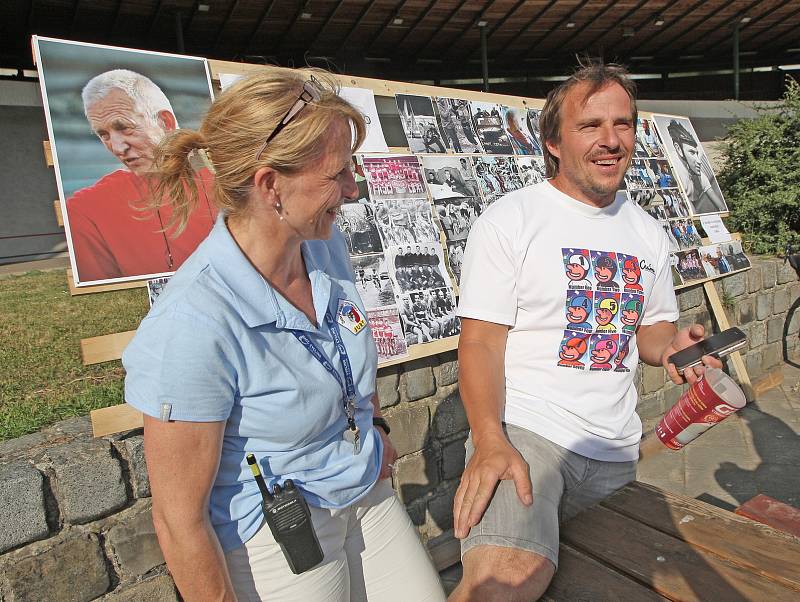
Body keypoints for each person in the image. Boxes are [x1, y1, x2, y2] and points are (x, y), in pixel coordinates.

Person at [122, 69, 445, 602]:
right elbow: (179, 521)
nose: (353, 189)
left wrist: (376, 423)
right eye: (337, 175)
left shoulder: (320, 244)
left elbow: (345, 353)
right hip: (279, 523)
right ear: (270, 185)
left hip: (361, 480)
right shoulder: (193, 323)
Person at [449, 61, 722, 601]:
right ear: (552, 140)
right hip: (528, 437)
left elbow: (650, 331)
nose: (611, 140)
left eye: (622, 124)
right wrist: (488, 440)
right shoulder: (512, 218)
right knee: (501, 585)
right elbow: (480, 341)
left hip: (617, 453)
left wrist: (674, 346)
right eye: (590, 126)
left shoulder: (647, 231)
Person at [66, 69, 217, 282]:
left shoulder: (225, 177)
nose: (117, 147)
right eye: (104, 134)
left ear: (165, 122)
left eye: (125, 128)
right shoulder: (88, 207)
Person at [666, 119, 726, 214]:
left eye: (696, 153)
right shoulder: (676, 171)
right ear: (678, 149)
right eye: (691, 152)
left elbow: (722, 208)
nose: (698, 161)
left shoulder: (699, 176)